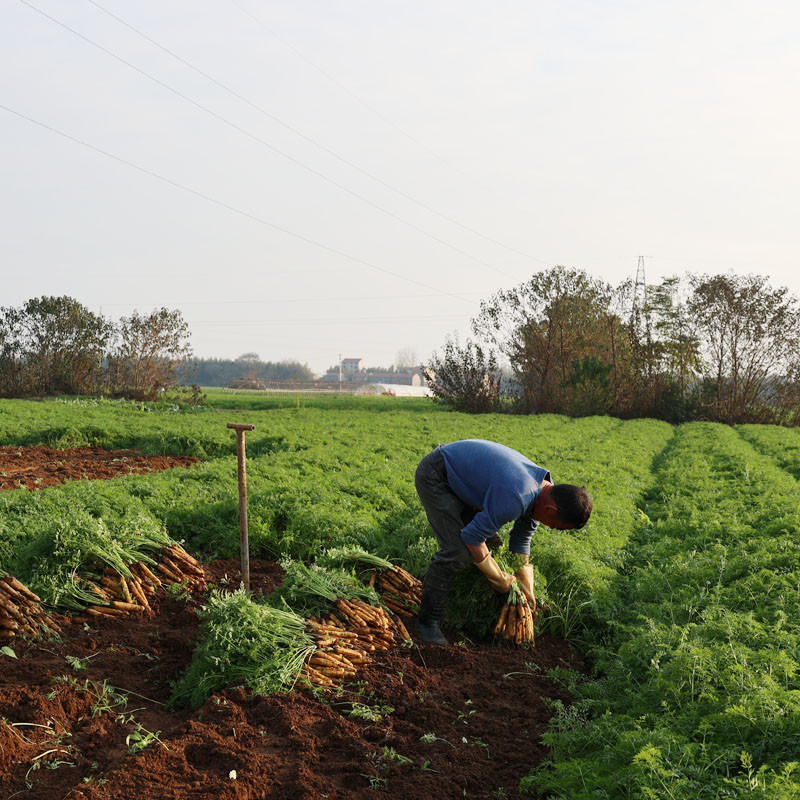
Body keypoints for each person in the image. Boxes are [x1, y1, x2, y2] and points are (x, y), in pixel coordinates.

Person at [414, 439, 593, 645]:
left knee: (492, 548)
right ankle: (427, 622)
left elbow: (521, 539)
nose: (552, 528)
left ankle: (467, 605)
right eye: (556, 526)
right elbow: (472, 537)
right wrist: (497, 577)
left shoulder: (545, 493)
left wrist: (525, 585)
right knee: (458, 552)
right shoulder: (518, 495)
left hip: (464, 480)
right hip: (437, 476)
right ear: (551, 511)